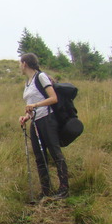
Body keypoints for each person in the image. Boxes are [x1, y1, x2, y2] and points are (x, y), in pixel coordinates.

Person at [18, 53, 69, 200]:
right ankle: (46, 190)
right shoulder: (28, 82)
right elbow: (33, 105)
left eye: (20, 64)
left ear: (25, 64)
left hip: (47, 119)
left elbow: (53, 98)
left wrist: (35, 105)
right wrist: (26, 117)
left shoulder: (41, 77)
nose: (19, 67)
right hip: (35, 122)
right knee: (39, 157)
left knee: (55, 153)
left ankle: (64, 189)